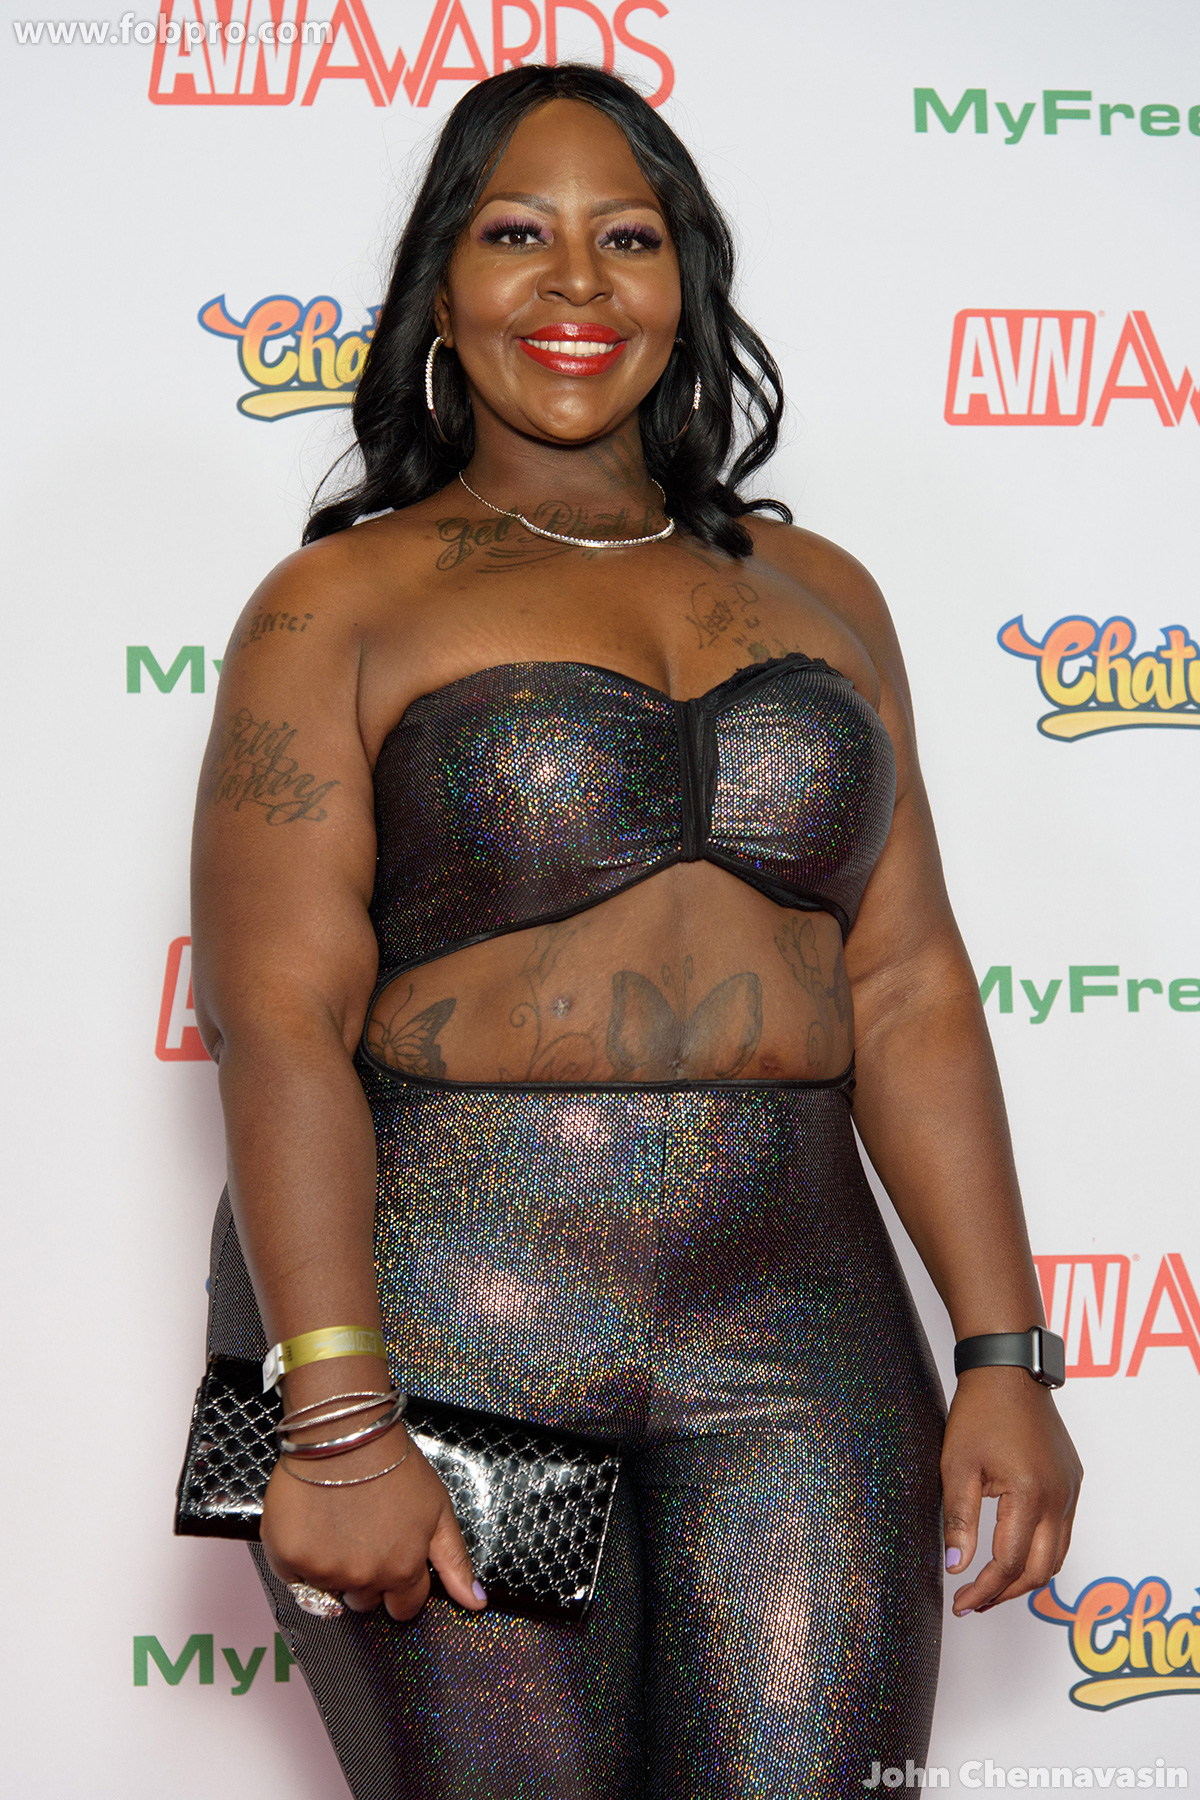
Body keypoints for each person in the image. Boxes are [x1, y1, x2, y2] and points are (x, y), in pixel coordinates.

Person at [190, 62, 1082, 1800]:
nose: (577, 283)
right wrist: (340, 1409)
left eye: (630, 238)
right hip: (452, 1308)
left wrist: (1004, 1353)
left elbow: (906, 984)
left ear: (689, 283)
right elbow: (278, 1018)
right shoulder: (338, 602)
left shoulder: (821, 591)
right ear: (443, 286)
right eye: (516, 234)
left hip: (800, 1318)